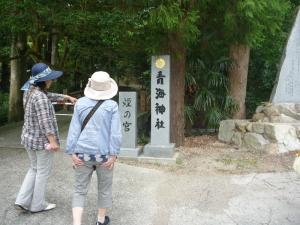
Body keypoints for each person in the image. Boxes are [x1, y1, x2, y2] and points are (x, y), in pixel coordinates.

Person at [15, 62, 77, 212]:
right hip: (42, 143)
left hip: (29, 139)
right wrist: (53, 142)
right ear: (43, 80)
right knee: (43, 172)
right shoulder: (40, 98)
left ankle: (22, 200)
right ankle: (38, 204)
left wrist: (66, 97)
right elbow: (46, 122)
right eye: (49, 78)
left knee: (34, 168)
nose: (52, 81)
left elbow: (48, 96)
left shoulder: (29, 90)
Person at [66, 71, 122, 225]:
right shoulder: (112, 106)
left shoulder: (80, 103)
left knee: (79, 190)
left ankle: (77, 223)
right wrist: (114, 154)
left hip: (82, 155)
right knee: (104, 189)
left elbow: (74, 130)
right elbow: (115, 133)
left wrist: (72, 152)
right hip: (104, 155)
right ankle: (100, 220)